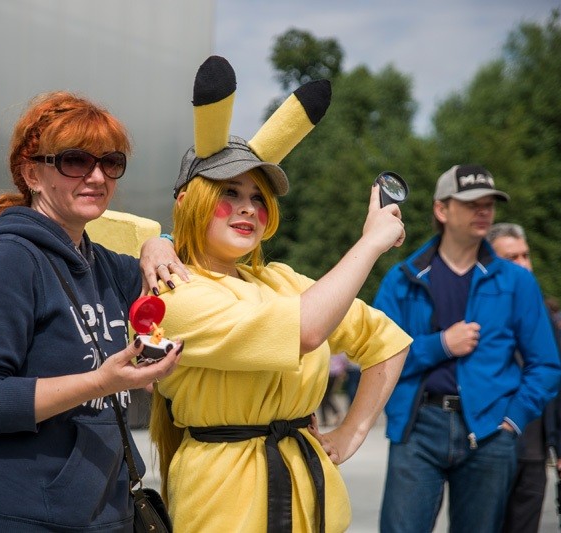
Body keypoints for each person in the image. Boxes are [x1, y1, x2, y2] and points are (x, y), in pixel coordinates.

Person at [148, 55, 412, 533]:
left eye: (258, 199)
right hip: (223, 507)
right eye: (229, 193)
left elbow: (387, 342)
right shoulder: (170, 295)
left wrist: (352, 432)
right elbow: (307, 330)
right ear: (189, 203)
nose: (247, 209)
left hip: (314, 502)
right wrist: (370, 243)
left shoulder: (283, 280)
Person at [0, 91, 186, 531]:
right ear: (32, 173)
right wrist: (101, 381)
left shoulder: (101, 263)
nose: (97, 176)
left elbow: (192, 266)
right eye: (75, 161)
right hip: (21, 517)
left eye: (111, 162)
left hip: (103, 514)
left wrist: (161, 243)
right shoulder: (8, 258)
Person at [372, 165, 561, 533]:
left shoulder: (517, 281)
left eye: (489, 203)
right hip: (418, 429)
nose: (484, 211)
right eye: (472, 202)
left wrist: (513, 419)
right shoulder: (403, 278)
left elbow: (545, 364)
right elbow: (376, 356)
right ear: (442, 210)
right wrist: (440, 345)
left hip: (491, 431)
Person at [487, 222, 561, 533]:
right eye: (512, 258)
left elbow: (558, 380)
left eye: (526, 255)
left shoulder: (542, 314)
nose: (523, 264)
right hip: (489, 444)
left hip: (534, 449)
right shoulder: (472, 308)